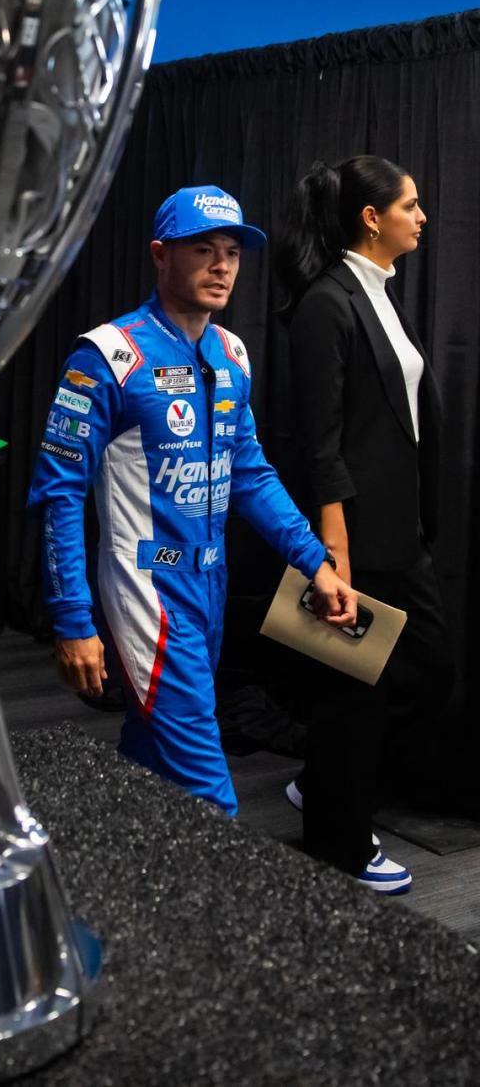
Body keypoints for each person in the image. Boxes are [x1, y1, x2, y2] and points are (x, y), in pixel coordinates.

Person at [27, 185, 357, 831]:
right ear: (160, 254)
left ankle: (122, 895)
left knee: (150, 761)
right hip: (146, 589)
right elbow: (57, 490)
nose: (221, 265)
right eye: (202, 249)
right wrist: (71, 619)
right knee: (211, 799)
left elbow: (250, 474)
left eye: (232, 252)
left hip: (211, 585)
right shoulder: (107, 355)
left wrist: (315, 561)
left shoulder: (230, 353)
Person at [275, 156, 454, 895]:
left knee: (419, 671)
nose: (422, 217)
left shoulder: (377, 294)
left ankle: (324, 780)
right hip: (356, 536)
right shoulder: (327, 301)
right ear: (371, 217)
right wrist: (333, 549)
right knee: (358, 688)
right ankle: (339, 840)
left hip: (398, 532)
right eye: (410, 205)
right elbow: (319, 439)